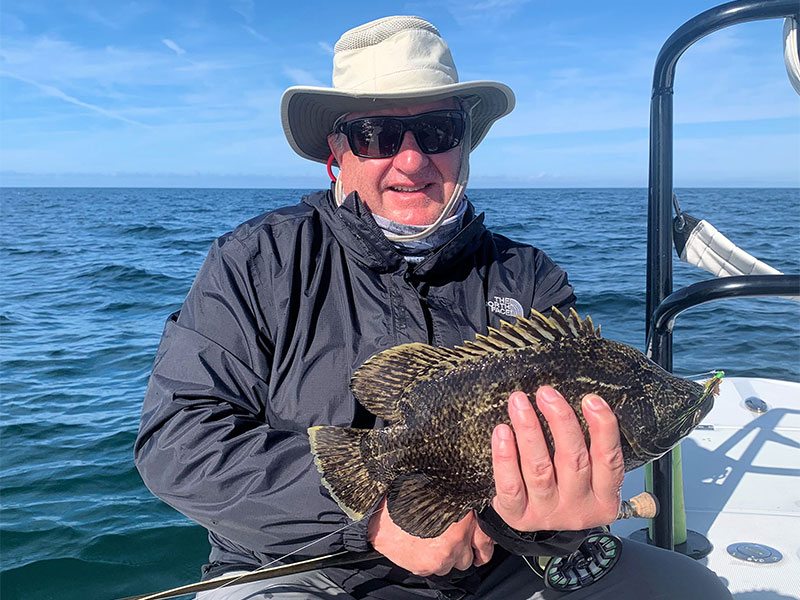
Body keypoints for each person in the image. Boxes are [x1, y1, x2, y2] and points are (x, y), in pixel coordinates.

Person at [134, 15, 733, 600]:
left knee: (690, 589)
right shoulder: (256, 260)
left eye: (439, 131)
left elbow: (554, 508)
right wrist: (371, 513)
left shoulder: (528, 278)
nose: (413, 160)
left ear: (465, 144)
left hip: (496, 567)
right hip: (302, 568)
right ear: (337, 154)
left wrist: (552, 523)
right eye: (376, 135)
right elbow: (177, 441)